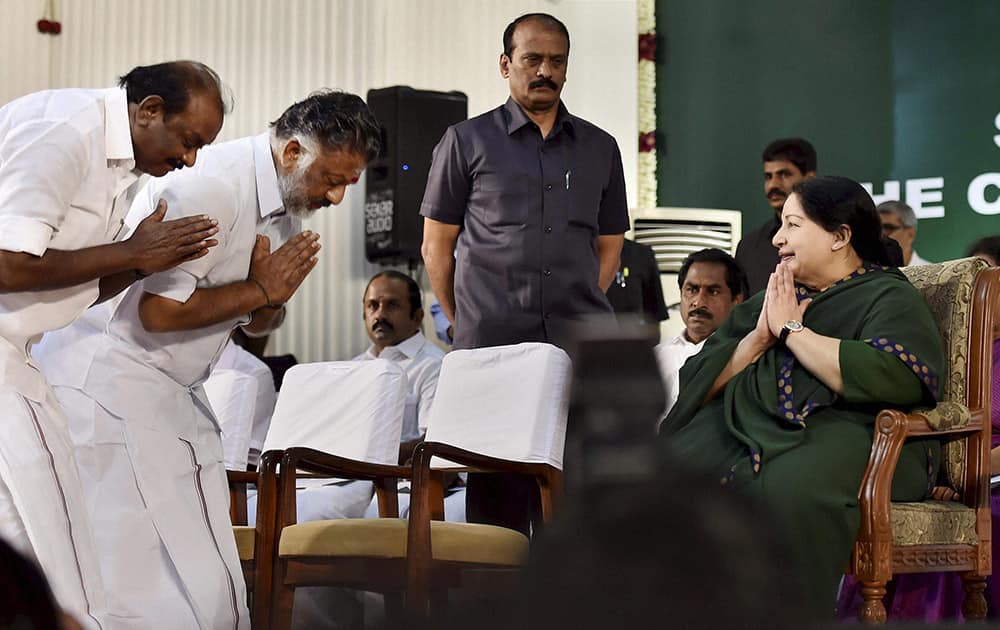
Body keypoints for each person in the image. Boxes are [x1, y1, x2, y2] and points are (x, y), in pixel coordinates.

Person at [35, 90, 380, 629]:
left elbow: (254, 317)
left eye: (347, 185)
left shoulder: (286, 205)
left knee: (207, 577)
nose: (336, 197)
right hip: (110, 388)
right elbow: (158, 314)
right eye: (331, 179)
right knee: (133, 579)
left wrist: (266, 301)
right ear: (292, 153)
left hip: (169, 391)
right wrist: (258, 292)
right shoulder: (213, 187)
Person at [0, 60, 226, 628]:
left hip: (17, 351)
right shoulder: (68, 130)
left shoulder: (125, 168)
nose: (190, 160)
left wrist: (145, 262)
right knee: (58, 542)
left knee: (31, 534)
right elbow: (8, 263)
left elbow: (75, 282)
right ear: (148, 110)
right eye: (189, 141)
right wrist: (132, 254)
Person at [659, 176, 944, 620]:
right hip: (746, 426)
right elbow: (698, 377)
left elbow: (898, 374)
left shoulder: (887, 294)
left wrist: (794, 332)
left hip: (854, 431)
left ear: (840, 236)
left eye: (792, 225)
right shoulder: (770, 298)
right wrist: (757, 339)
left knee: (781, 490)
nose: (777, 238)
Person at [420, 12, 629, 535]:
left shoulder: (600, 148)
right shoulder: (464, 141)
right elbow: (436, 247)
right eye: (532, 59)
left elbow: (609, 247)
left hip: (578, 347)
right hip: (492, 346)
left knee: (577, 493)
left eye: (556, 61)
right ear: (505, 64)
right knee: (496, 506)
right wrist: (465, 320)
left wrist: (577, 302)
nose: (544, 71)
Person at [837, 234, 1000, 622]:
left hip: (986, 475)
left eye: (989, 283)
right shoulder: (942, 351)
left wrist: (965, 478)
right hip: (935, 465)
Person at [655, 248, 745, 420]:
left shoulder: (744, 357)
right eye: (692, 289)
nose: (699, 302)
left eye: (713, 291)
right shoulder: (655, 358)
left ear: (736, 300)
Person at [735, 138, 816, 295]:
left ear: (810, 179)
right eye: (768, 177)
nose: (773, 185)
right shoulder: (749, 247)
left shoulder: (828, 239)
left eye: (784, 175)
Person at [605, 238, 669, 343]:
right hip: (587, 348)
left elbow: (654, 316)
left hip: (632, 349)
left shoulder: (641, 255)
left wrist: (649, 355)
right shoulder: (579, 254)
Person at [878, 200, 930, 266]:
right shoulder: (865, 274)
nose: (881, 234)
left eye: (889, 228)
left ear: (910, 234)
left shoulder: (934, 275)